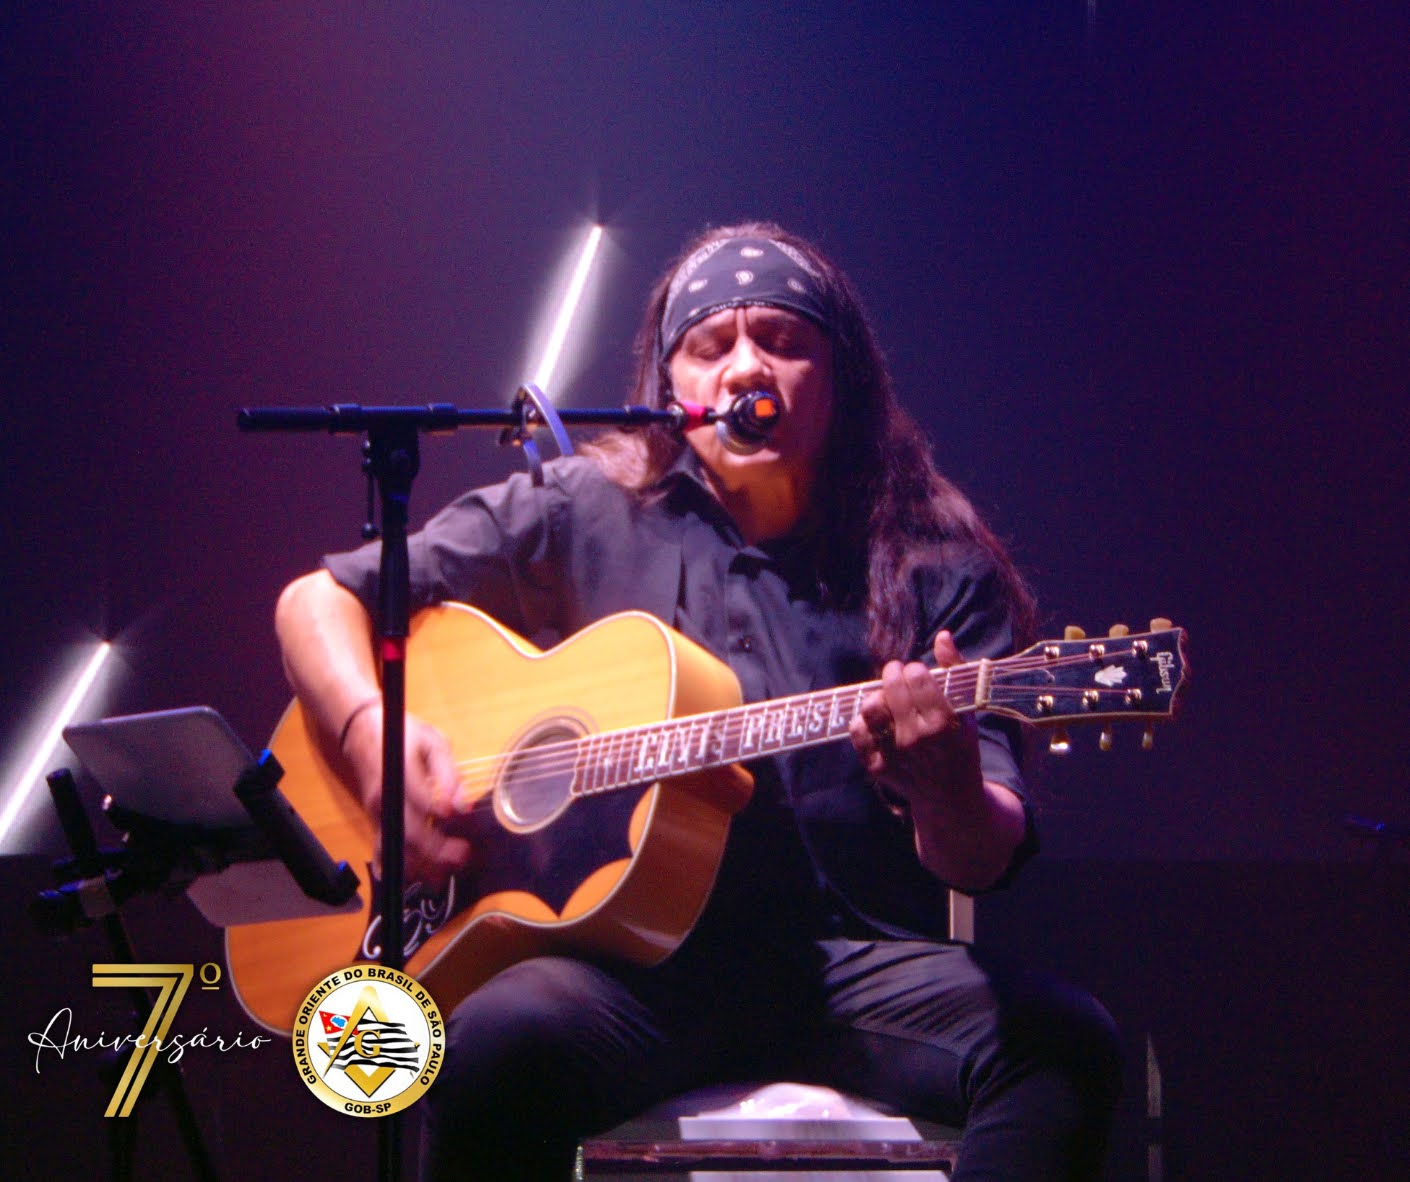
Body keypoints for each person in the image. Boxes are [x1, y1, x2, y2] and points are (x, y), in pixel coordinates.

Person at [275, 222, 1122, 1180]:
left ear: (840, 378)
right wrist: (371, 732)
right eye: (711, 346)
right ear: (668, 385)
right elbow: (317, 601)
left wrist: (947, 788)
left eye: (784, 341)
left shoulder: (934, 557)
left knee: (1064, 1044)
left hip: (852, 966)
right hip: (634, 975)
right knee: (493, 1042)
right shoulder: (581, 509)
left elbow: (982, 853)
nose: (745, 368)